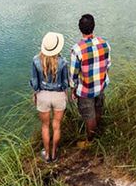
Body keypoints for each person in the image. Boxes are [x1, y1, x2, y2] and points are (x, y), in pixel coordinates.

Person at [69, 14, 110, 146]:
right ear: (93, 27)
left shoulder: (77, 49)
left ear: (80, 29)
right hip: (101, 85)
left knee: (89, 116)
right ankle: (97, 134)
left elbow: (73, 74)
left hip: (86, 90)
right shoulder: (104, 44)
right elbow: (108, 65)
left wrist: (73, 89)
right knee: (98, 109)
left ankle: (90, 141)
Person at [30, 31, 69, 162]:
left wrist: (35, 94)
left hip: (43, 96)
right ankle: (54, 154)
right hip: (58, 96)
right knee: (56, 125)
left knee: (45, 126)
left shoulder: (36, 60)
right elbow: (65, 83)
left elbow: (35, 83)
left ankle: (47, 156)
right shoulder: (63, 61)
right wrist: (65, 94)